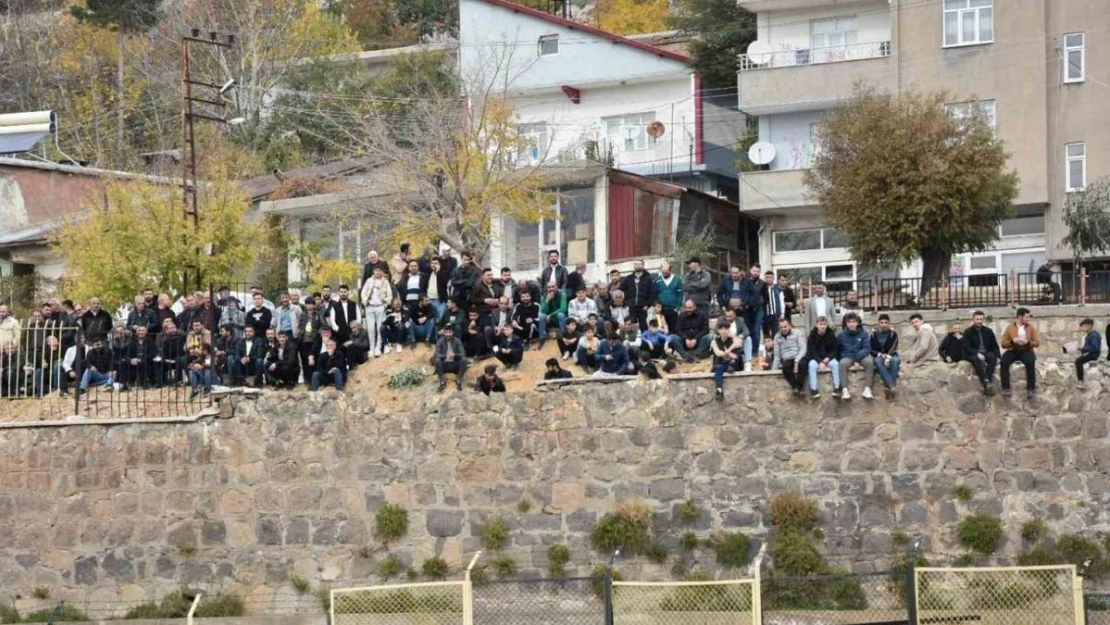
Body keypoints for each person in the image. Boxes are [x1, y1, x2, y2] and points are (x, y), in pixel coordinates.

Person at [1000, 307, 1039, 398]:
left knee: (1030, 361)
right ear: (1019, 317)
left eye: (1029, 317)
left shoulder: (1031, 328)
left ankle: (1031, 388)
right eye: (1026, 317)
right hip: (1013, 349)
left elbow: (1037, 342)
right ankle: (1005, 388)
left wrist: (1028, 342)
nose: (1028, 319)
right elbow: (1003, 344)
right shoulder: (1010, 327)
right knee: (1004, 361)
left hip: (1026, 349)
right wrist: (1013, 341)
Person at [837, 313, 874, 400]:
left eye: (853, 322)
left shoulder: (864, 334)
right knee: (842, 364)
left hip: (861, 356)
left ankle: (867, 389)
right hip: (848, 356)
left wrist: (857, 359)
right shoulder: (841, 335)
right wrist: (853, 360)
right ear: (846, 324)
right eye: (849, 322)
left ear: (857, 323)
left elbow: (867, 348)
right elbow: (839, 350)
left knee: (869, 362)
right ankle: (845, 390)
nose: (851, 324)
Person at [962, 311, 1001, 395]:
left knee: (992, 357)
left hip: (986, 352)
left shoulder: (988, 331)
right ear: (973, 319)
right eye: (977, 319)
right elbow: (967, 347)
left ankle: (987, 382)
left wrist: (998, 356)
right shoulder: (967, 332)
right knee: (976, 360)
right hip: (972, 354)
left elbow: (995, 345)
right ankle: (986, 382)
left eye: (981, 319)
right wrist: (977, 353)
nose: (979, 321)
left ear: (983, 320)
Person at [361, 265, 394, 357]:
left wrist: (385, 304)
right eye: (376, 271)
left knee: (380, 328)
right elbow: (363, 292)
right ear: (373, 272)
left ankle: (378, 348)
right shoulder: (369, 281)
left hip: (380, 307)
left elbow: (390, 295)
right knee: (371, 329)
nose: (378, 272)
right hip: (370, 306)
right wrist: (365, 302)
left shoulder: (385, 282)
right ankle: (371, 349)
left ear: (381, 272)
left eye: (379, 271)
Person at [805, 316, 840, 399]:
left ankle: (837, 387)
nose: (822, 326)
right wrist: (820, 362)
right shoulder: (812, 336)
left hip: (828, 358)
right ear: (816, 325)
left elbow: (835, 350)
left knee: (835, 364)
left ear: (827, 325)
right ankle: (814, 389)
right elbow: (812, 352)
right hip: (816, 359)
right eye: (820, 324)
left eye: (824, 324)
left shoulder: (831, 335)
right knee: (811, 365)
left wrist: (827, 359)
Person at [772, 317, 807, 396]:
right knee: (785, 367)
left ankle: (797, 387)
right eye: (781, 327)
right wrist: (773, 371)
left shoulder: (798, 333)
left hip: (799, 356)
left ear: (789, 326)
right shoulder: (777, 337)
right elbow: (777, 356)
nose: (784, 329)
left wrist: (797, 360)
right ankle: (796, 387)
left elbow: (803, 348)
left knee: (804, 364)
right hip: (787, 359)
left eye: (785, 326)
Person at [710, 324, 744, 401]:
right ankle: (719, 390)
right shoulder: (715, 341)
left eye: (726, 329)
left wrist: (728, 351)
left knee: (734, 357)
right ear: (719, 331)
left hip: (734, 363)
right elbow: (718, 353)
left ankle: (731, 365)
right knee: (718, 368)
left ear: (729, 330)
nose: (724, 331)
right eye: (722, 329)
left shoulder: (734, 339)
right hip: (721, 363)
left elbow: (736, 353)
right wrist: (728, 353)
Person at [871, 313, 901, 398]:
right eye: (882, 322)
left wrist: (888, 355)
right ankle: (892, 385)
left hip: (891, 354)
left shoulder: (893, 334)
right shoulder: (874, 334)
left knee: (895, 360)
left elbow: (894, 346)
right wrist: (880, 354)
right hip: (879, 356)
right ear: (878, 323)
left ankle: (887, 386)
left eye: (886, 322)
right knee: (877, 361)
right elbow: (871, 349)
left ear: (889, 323)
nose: (884, 324)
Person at [620, 260, 655, 329]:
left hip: (643, 307)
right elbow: (621, 289)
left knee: (643, 325)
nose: (637, 265)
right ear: (633, 266)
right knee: (631, 325)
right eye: (636, 264)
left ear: (643, 265)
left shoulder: (648, 278)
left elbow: (652, 293)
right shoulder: (628, 278)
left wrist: (648, 304)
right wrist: (626, 300)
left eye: (639, 264)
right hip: (631, 306)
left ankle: (644, 339)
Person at [434, 326, 468, 392]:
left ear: (453, 332)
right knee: (437, 360)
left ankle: (459, 378)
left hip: (455, 364)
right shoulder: (440, 341)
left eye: (450, 332)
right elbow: (437, 354)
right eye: (446, 332)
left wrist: (455, 355)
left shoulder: (457, 341)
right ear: (444, 333)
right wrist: (445, 356)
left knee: (464, 359)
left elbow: (463, 353)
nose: (448, 334)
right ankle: (442, 380)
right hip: (445, 364)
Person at [739, 265, 766, 339]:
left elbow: (766, 298)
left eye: (757, 271)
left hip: (758, 309)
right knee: (747, 329)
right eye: (754, 271)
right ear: (750, 270)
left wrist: (761, 305)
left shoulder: (762, 283)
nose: (755, 273)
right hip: (746, 308)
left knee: (756, 329)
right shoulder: (744, 282)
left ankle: (755, 349)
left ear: (760, 272)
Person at [654, 262, 683, 332]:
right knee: (660, 328)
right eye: (663, 272)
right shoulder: (657, 280)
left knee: (673, 329)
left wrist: (678, 306)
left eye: (666, 273)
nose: (664, 274)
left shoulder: (677, 280)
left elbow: (680, 294)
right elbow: (654, 294)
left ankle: (671, 342)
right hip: (660, 310)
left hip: (673, 309)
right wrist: (656, 306)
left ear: (670, 270)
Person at [1074, 318, 1102, 388]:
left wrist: (1083, 348)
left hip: (1093, 355)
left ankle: (1081, 381)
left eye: (1084, 326)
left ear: (1089, 326)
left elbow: (1095, 348)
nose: (1082, 328)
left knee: (1078, 361)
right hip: (1090, 353)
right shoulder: (1089, 335)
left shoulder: (1093, 335)